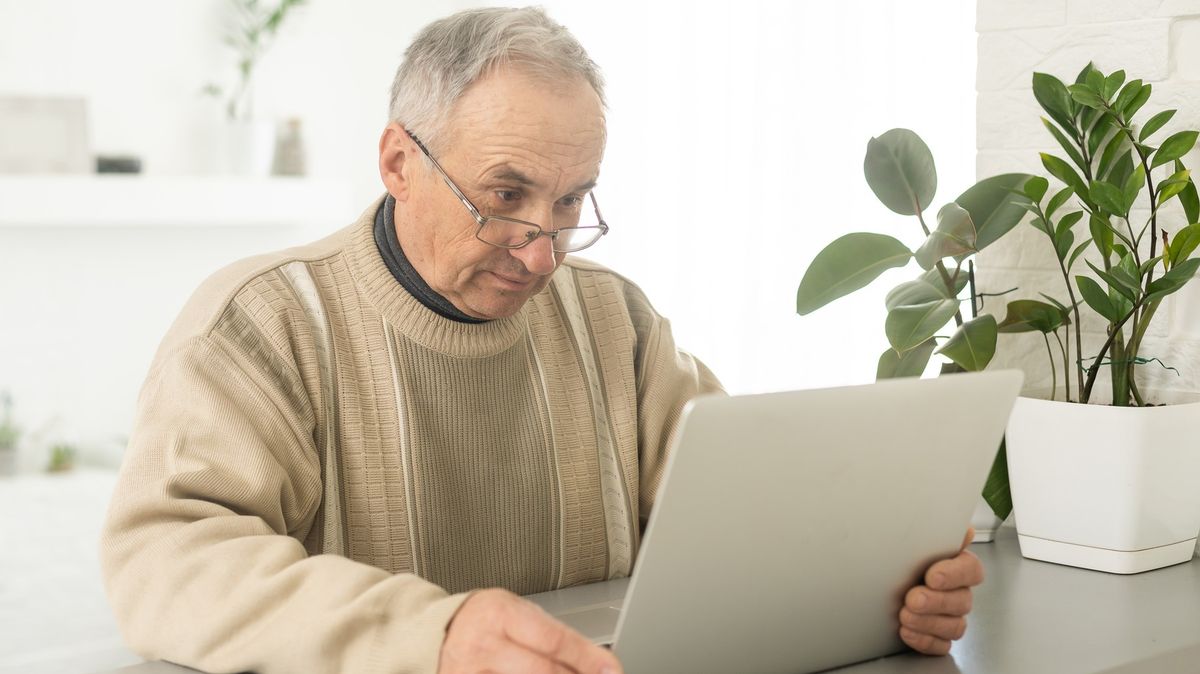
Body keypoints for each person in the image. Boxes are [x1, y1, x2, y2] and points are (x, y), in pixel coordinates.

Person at [100, 7, 984, 674]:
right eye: (506, 194)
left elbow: (747, 512)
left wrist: (884, 582)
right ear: (399, 162)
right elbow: (165, 560)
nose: (542, 247)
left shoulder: (615, 320)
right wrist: (431, 635)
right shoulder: (264, 323)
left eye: (571, 202)